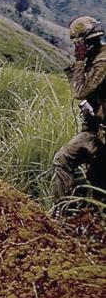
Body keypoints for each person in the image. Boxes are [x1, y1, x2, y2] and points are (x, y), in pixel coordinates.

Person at [52, 16, 106, 204]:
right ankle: (61, 214)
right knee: (63, 159)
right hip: (96, 130)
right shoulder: (95, 60)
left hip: (102, 132)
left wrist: (80, 61)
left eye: (79, 45)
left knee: (99, 182)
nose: (76, 49)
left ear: (87, 43)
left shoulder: (102, 62)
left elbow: (80, 91)